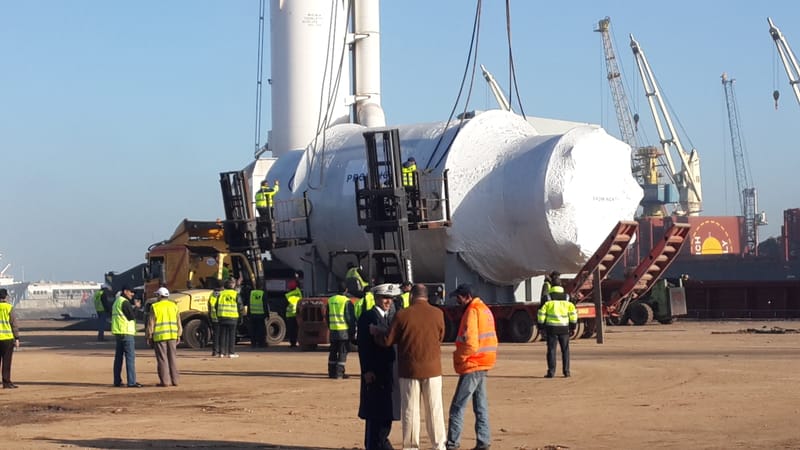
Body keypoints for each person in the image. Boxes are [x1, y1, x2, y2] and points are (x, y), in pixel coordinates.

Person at [372, 284, 447, 450]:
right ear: (426, 296)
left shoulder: (402, 315)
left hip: (409, 370)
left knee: (411, 411)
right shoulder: (438, 314)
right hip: (433, 370)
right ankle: (439, 445)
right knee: (434, 409)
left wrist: (376, 332)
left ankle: (411, 447)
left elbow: (387, 341)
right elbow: (441, 336)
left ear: (411, 296)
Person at [446, 284, 498, 450]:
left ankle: (453, 444)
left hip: (473, 363)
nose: (457, 300)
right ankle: (483, 441)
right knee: (480, 404)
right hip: (484, 361)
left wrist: (459, 357)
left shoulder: (472, 311)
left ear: (467, 296)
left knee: (457, 406)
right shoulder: (484, 309)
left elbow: (470, 342)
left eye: (459, 297)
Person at [358, 283, 401, 450]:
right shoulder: (367, 317)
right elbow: (364, 347)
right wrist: (366, 370)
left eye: (390, 298)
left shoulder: (394, 317)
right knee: (375, 414)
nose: (388, 301)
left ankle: (378, 444)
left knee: (387, 412)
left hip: (391, 372)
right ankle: (374, 445)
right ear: (376, 298)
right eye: (385, 298)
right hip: (375, 372)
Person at [537, 277, 578, 378]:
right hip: (564, 329)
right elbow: (573, 314)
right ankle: (566, 372)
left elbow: (541, 314)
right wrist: (573, 327)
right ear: (561, 285)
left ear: (551, 286)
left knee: (551, 350)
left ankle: (551, 372)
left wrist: (541, 327)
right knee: (565, 350)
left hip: (551, 329)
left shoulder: (547, 298)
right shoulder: (568, 298)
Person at [145, 287, 182, 387]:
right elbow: (178, 321)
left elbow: (151, 323)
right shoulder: (174, 306)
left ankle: (165, 381)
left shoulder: (155, 306)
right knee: (173, 358)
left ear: (159, 296)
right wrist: (179, 334)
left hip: (160, 336)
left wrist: (149, 336)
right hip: (173, 336)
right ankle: (175, 380)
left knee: (162, 359)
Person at [112, 286, 142, 387]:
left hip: (118, 332)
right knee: (130, 358)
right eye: (131, 292)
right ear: (125, 291)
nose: (132, 294)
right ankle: (132, 382)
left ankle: (117, 381)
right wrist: (137, 307)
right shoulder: (124, 302)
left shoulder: (117, 302)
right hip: (126, 333)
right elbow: (131, 317)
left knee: (118, 358)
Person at [327, 282, 356, 379]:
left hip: (333, 330)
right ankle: (339, 373)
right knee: (343, 351)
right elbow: (349, 318)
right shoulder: (346, 301)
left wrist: (330, 326)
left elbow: (327, 316)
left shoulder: (330, 300)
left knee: (333, 351)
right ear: (346, 290)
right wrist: (352, 332)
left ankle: (331, 372)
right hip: (343, 331)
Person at [215, 279, 243, 358]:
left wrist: (218, 315)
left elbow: (216, 305)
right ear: (233, 286)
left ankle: (221, 353)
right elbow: (240, 307)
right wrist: (241, 317)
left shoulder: (220, 294)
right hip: (233, 318)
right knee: (232, 336)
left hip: (222, 317)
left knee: (222, 335)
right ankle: (231, 352)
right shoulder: (236, 294)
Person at [0, 288, 20, 389]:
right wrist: (17, 338)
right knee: (6, 362)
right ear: (5, 297)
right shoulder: (9, 307)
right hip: (7, 338)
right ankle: (6, 382)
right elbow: (14, 324)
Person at [284, 279, 302, 348]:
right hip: (297, 314)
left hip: (290, 315)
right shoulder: (298, 292)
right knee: (298, 329)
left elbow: (284, 305)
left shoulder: (288, 295)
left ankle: (293, 343)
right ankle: (299, 342)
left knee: (292, 331)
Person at [207, 279, 222, 357]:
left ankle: (215, 351)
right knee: (222, 335)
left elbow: (209, 307)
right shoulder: (222, 295)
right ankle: (221, 351)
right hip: (221, 317)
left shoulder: (211, 295)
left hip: (214, 318)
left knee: (215, 335)